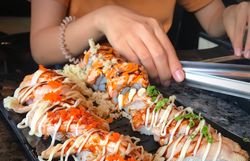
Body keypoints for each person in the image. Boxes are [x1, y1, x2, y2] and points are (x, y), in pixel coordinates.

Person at [30, 0, 250, 86]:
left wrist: (231, 14)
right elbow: (40, 47)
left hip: (154, 83)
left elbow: (213, 20)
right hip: (77, 86)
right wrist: (101, 19)